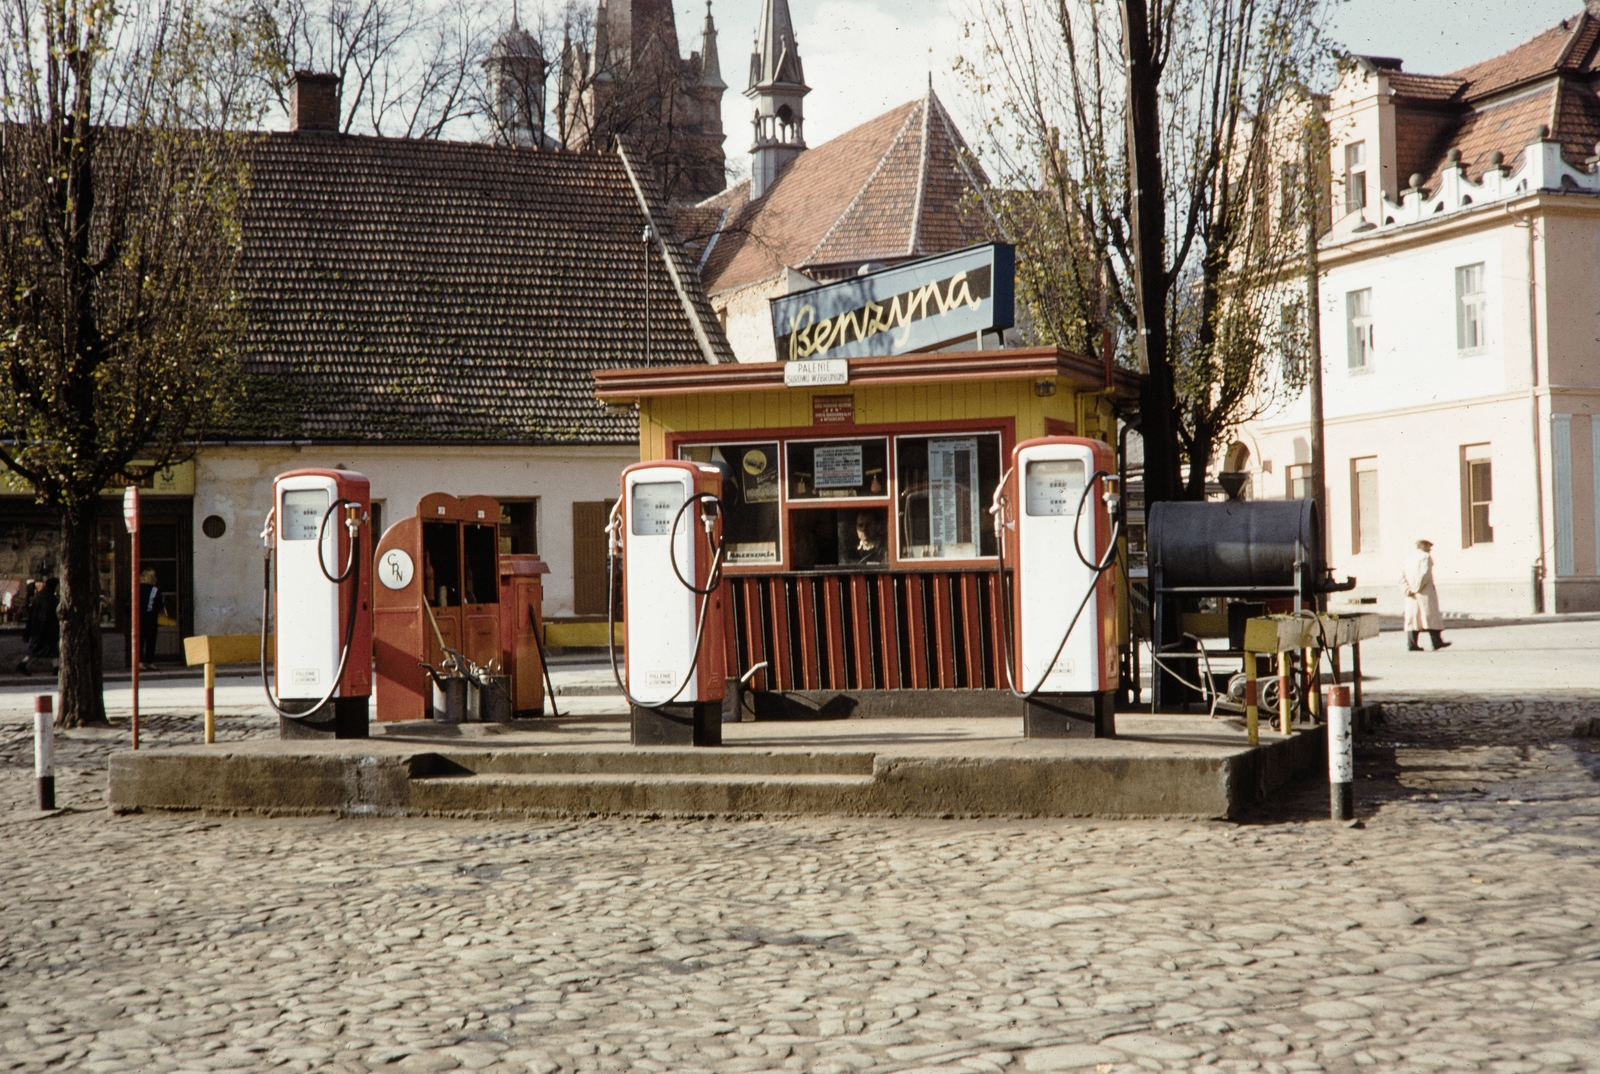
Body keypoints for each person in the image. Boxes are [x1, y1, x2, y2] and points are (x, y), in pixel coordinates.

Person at [1401, 539, 1450, 651]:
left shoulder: (1408, 559)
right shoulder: (1426, 557)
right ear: (1422, 546)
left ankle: (1412, 644)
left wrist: (1407, 590)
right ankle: (1436, 642)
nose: (1430, 548)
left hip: (1411, 595)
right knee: (1431, 617)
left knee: (1413, 619)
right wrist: (1417, 588)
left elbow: (1401, 577)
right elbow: (1425, 574)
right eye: (1428, 546)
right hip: (1424, 592)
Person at [18, 577, 59, 675]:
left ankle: (56, 668)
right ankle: (22, 664)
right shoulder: (50, 598)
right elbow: (49, 615)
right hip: (46, 630)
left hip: (38, 629)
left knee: (48, 650)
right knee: (47, 649)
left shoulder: (40, 596)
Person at [138, 568, 162, 671]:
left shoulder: (136, 588)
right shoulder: (155, 590)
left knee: (139, 641)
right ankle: (150, 662)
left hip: (137, 618)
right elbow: (160, 605)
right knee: (150, 641)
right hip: (150, 618)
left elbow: (125, 600)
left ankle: (139, 662)